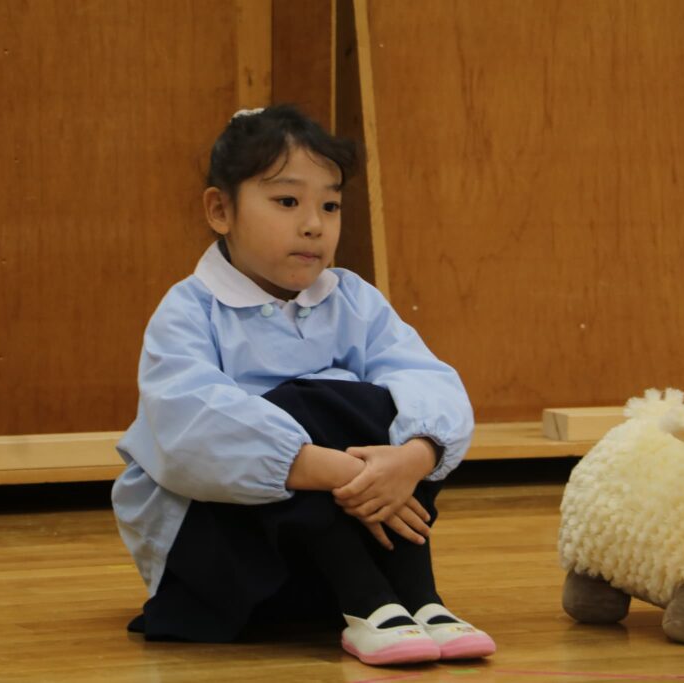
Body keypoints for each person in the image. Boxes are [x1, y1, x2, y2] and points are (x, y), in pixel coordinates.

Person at [111, 104, 495, 666]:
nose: (314, 224)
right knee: (301, 403)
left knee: (393, 407)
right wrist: (343, 472)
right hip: (226, 567)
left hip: (319, 574)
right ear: (221, 210)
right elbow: (190, 427)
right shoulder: (190, 310)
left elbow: (428, 379)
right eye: (287, 202)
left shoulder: (352, 298)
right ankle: (369, 603)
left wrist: (411, 459)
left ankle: (416, 596)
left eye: (330, 205)